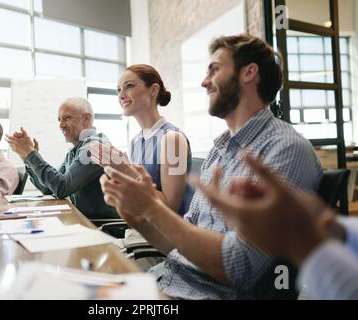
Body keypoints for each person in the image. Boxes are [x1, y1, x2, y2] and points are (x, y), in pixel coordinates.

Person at [99, 34, 323, 299]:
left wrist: (150, 207)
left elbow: (240, 267)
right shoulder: (220, 150)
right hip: (165, 278)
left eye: (214, 69)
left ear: (249, 72)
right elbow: (179, 243)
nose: (204, 82)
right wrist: (135, 215)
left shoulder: (285, 149)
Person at [198, 152, 358, 300]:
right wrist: (334, 230)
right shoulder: (217, 152)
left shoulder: (289, 147)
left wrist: (305, 244)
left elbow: (238, 268)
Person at [91, 64, 193, 215]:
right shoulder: (136, 141)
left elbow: (171, 208)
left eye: (129, 86)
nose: (121, 95)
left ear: (153, 90)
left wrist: (125, 169)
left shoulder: (173, 139)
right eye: (118, 90)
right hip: (141, 226)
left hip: (166, 235)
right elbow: (138, 194)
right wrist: (117, 172)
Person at [6, 97, 118, 219]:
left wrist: (30, 154)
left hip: (100, 227)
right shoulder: (75, 150)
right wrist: (26, 157)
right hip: (82, 222)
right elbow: (49, 189)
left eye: (67, 118)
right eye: (59, 120)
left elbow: (61, 188)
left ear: (87, 118)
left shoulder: (95, 147)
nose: (61, 125)